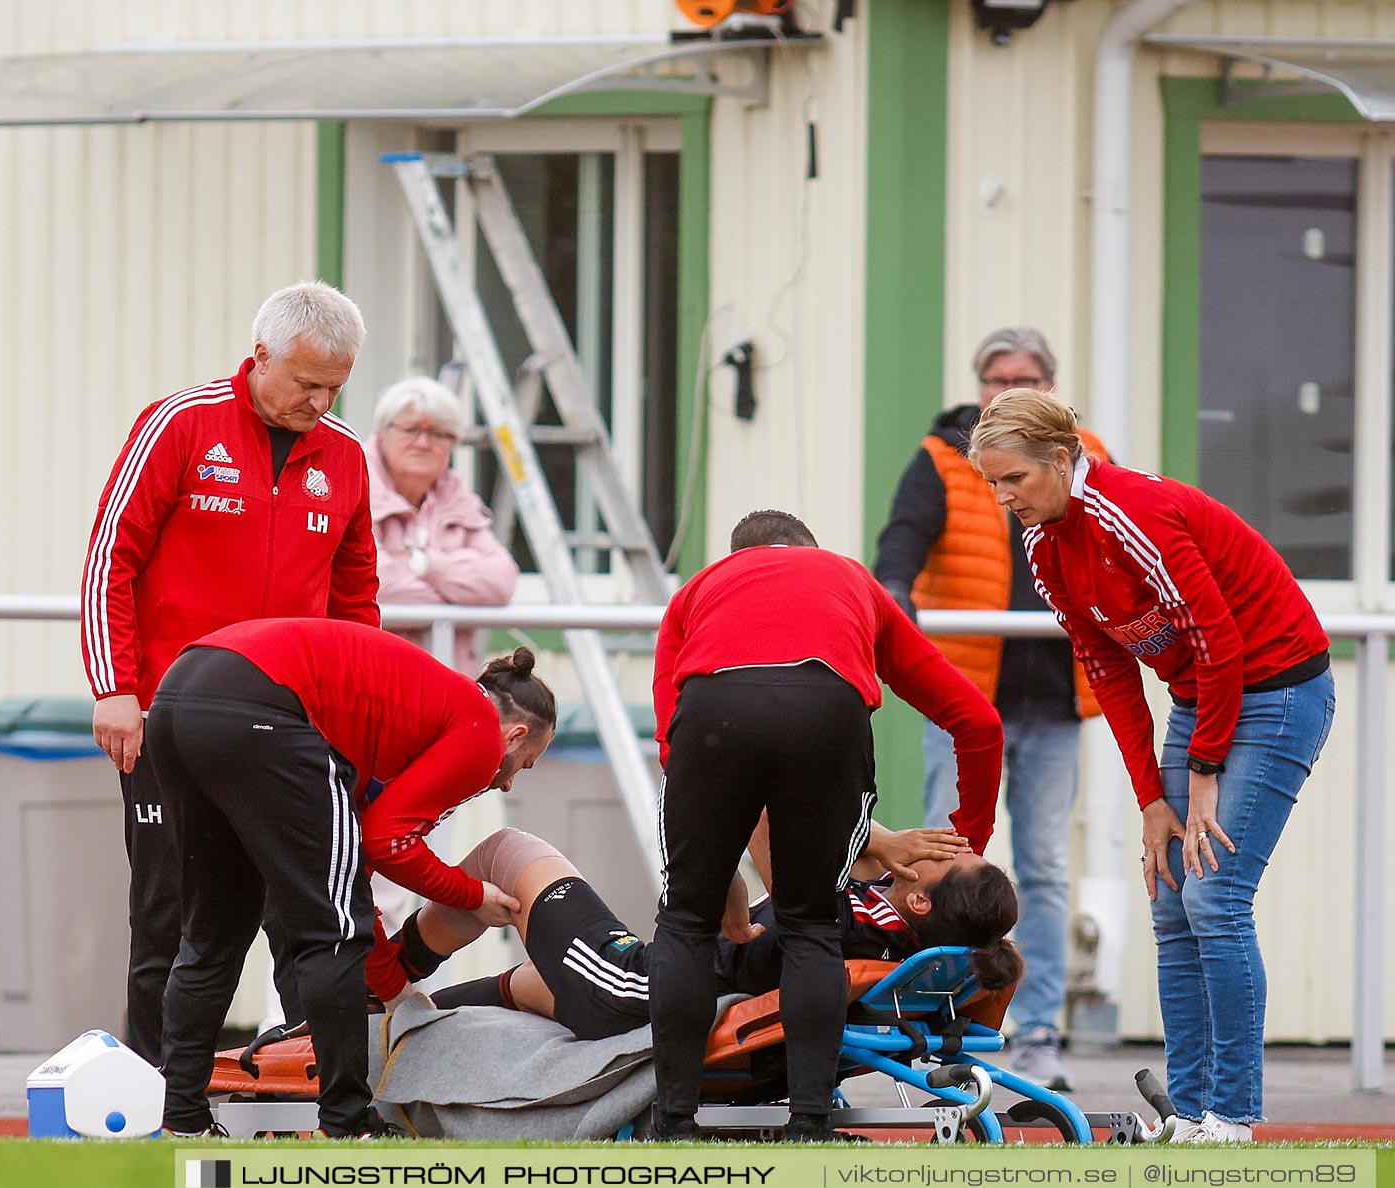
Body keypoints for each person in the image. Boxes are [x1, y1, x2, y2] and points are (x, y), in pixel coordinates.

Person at [967, 390, 1334, 1145]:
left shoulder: (1127, 514)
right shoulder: (1044, 543)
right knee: (1171, 899)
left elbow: (1221, 643)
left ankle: (1231, 1113)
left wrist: (1201, 777)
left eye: (1015, 481)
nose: (1005, 498)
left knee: (1216, 898)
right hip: (1204, 696)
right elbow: (1107, 669)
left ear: (1062, 460)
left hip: (1278, 689)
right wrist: (1152, 800)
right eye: (993, 485)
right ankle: (1190, 1113)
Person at [79, 281, 379, 1065]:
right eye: (306, 383)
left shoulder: (344, 456)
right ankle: (155, 1097)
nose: (321, 400)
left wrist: (355, 722)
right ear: (259, 358)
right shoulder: (180, 425)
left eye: (335, 386)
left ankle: (300, 1086)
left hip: (287, 729)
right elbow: (111, 558)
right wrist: (115, 690)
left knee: (301, 916)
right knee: (170, 919)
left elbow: (356, 602)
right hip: (169, 722)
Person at [646, 510, 1005, 1142]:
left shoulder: (696, 592)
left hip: (713, 709)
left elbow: (672, 750)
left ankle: (672, 1122)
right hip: (827, 707)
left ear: (735, 560)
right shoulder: (851, 580)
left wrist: (712, 850)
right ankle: (809, 1124)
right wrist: (967, 838)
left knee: (686, 924)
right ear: (814, 551)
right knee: (812, 925)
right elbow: (978, 724)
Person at [146, 618, 556, 1139]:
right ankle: (347, 1125)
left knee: (212, 933)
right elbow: (386, 843)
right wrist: (472, 895)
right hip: (264, 704)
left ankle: (181, 1120)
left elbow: (351, 868)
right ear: (515, 734)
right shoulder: (479, 732)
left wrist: (396, 990)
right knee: (332, 937)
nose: (507, 780)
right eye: (525, 762)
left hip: (179, 694)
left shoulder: (406, 712)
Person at [873, 326, 1111, 1090]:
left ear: (1053, 388)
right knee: (945, 861)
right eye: (999, 377)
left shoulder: (1087, 457)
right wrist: (896, 604)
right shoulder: (945, 458)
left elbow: (1118, 547)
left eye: (1030, 377)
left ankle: (1037, 1030)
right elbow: (901, 547)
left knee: (1042, 866)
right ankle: (941, 1018)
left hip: (1052, 700)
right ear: (977, 390)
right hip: (966, 700)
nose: (1013, 387)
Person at [405, 825, 1021, 1049]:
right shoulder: (901, 946)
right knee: (529, 983)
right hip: (656, 988)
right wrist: (879, 847)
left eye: (939, 854)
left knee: (509, 854)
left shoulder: (838, 914)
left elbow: (760, 811)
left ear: (919, 897)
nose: (930, 841)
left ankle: (391, 967)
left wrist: (878, 837)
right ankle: (386, 1012)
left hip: (638, 990)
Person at [365, 376, 520, 676]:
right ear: (382, 434)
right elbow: (369, 583)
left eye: (438, 434)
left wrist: (422, 564)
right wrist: (461, 601)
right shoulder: (353, 487)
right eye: (411, 430)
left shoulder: (458, 499)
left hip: (450, 682)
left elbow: (501, 583)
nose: (423, 443)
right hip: (374, 679)